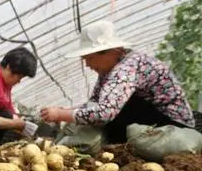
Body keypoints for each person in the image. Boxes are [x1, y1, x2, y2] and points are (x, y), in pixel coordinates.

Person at [39, 20, 196, 144]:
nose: (87, 64)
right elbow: (94, 102)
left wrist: (61, 114)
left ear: (108, 52)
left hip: (173, 125)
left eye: (89, 58)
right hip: (153, 119)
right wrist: (65, 110)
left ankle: (117, 146)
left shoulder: (127, 68)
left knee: (114, 113)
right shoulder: (109, 70)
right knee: (105, 107)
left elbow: (104, 113)